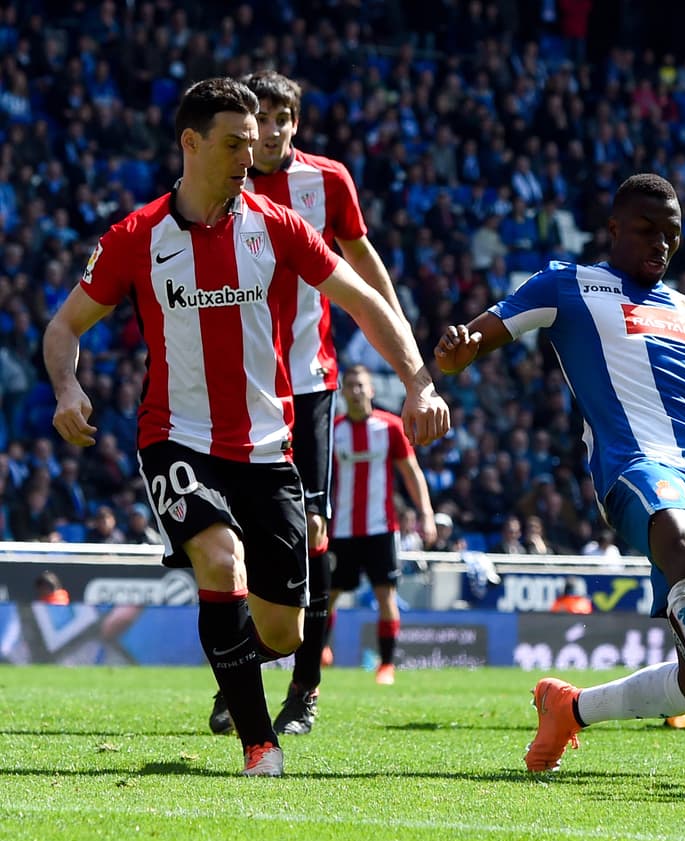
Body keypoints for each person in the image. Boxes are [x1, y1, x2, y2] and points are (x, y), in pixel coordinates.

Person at [42, 78, 449, 777]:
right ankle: (261, 745)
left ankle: (234, 665)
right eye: (234, 142)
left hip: (266, 446)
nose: (249, 153)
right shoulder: (136, 237)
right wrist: (67, 384)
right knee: (219, 559)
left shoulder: (278, 227)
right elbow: (64, 325)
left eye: (255, 139)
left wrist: (417, 380)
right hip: (176, 437)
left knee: (284, 632)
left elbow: (364, 300)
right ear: (191, 143)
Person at [435, 173, 685, 773]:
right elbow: (476, 338)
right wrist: (457, 351)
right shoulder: (568, 286)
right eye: (647, 231)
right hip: (636, 467)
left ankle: (570, 709)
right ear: (614, 229)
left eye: (671, 236)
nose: (660, 244)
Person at [234, 70, 413, 737]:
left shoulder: (328, 182)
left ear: (296, 124)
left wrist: (408, 356)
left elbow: (365, 266)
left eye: (286, 117)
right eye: (264, 117)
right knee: (240, 542)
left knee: (313, 537)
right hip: (239, 386)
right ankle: (240, 673)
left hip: (308, 382)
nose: (275, 130)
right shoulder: (223, 180)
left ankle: (304, 691)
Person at [319, 364, 435, 696]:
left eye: (360, 385)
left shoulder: (389, 427)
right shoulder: (333, 430)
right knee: (329, 596)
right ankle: (321, 650)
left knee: (386, 596)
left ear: (371, 390)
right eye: (350, 385)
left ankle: (386, 664)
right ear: (342, 392)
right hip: (340, 530)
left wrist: (425, 513)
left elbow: (411, 472)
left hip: (381, 529)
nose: (355, 391)